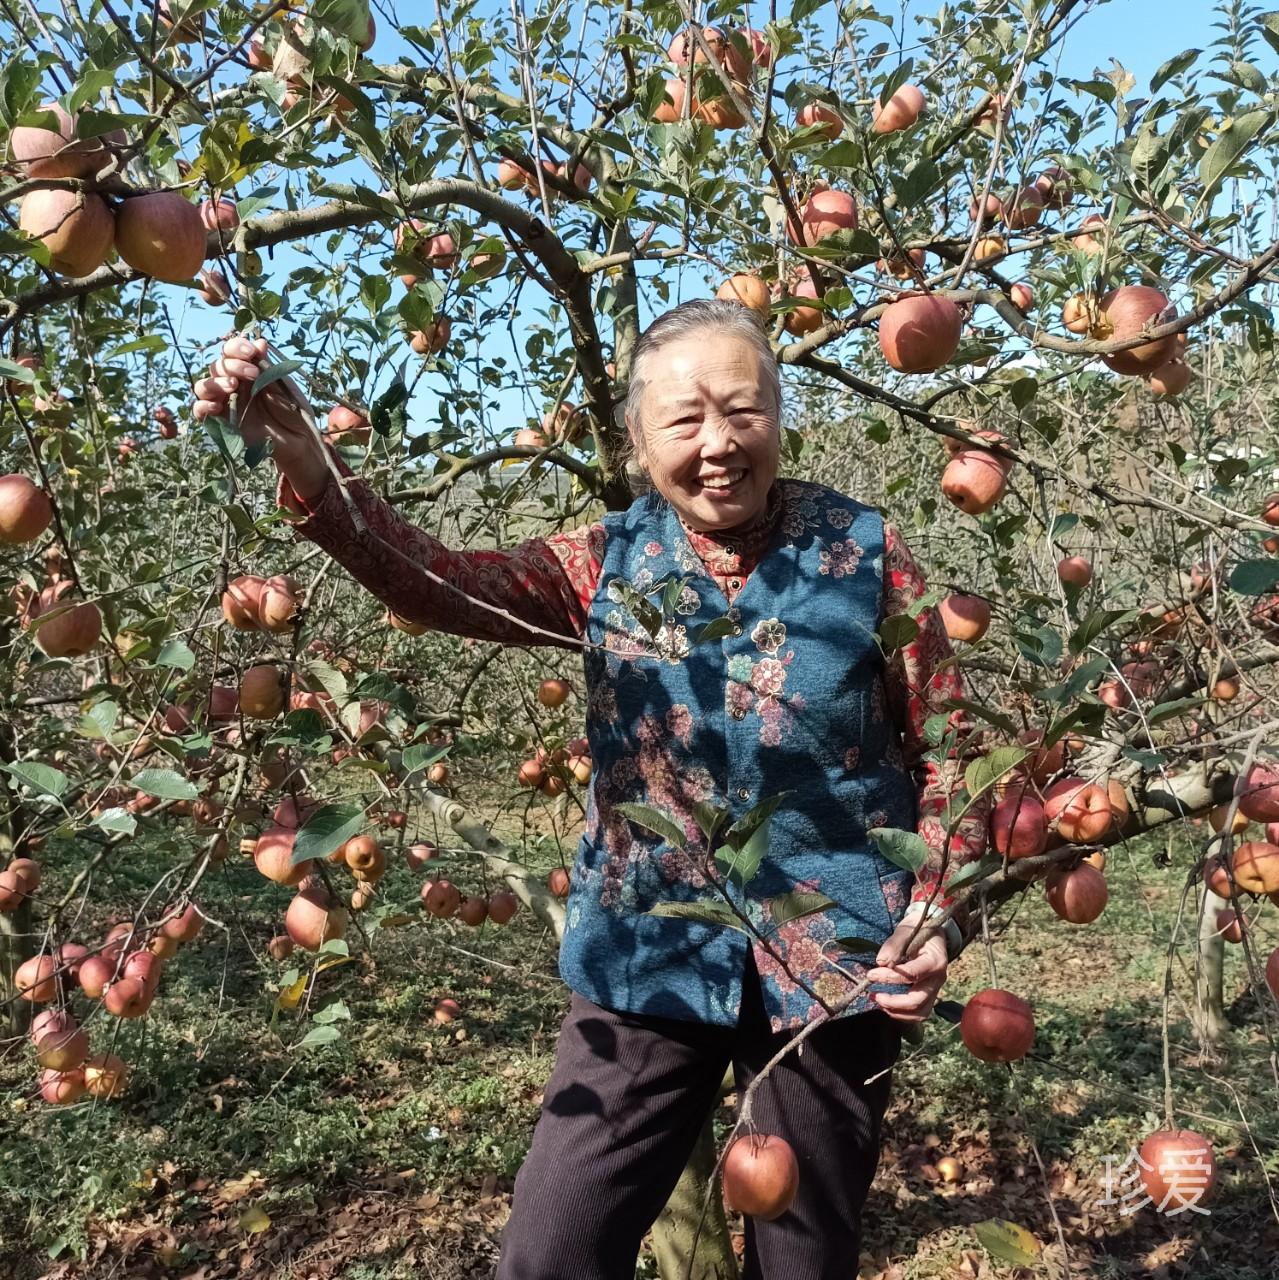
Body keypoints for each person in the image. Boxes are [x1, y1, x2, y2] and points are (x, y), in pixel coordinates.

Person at [193, 299, 988, 1280]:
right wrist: (311, 468)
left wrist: (937, 909)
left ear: (780, 411)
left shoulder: (865, 553)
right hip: (643, 953)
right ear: (636, 437)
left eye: (742, 410)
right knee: (552, 1247)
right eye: (683, 420)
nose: (718, 444)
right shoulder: (608, 560)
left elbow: (950, 746)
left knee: (802, 1257)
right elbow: (434, 581)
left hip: (832, 965)